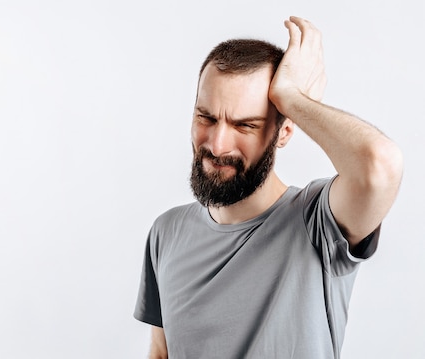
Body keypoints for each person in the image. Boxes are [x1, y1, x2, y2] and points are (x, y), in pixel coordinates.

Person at [133, 16, 403, 359]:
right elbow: (161, 352)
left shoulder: (317, 222)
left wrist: (291, 97)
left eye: (244, 125)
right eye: (206, 117)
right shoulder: (165, 232)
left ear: (285, 131)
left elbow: (380, 165)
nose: (217, 145)